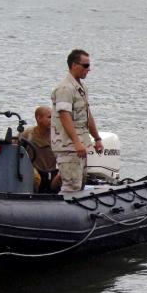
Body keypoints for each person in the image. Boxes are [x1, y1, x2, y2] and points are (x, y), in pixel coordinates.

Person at [50, 48, 103, 192]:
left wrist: (97, 138)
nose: (89, 69)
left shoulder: (82, 88)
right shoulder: (65, 88)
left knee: (79, 186)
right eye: (85, 66)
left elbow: (87, 115)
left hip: (81, 146)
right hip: (68, 146)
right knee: (71, 187)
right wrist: (76, 142)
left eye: (89, 65)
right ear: (74, 65)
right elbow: (64, 116)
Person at [21, 105, 61, 193]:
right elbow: (16, 149)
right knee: (35, 177)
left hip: (52, 173)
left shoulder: (57, 135)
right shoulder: (28, 134)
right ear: (39, 118)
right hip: (34, 173)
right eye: (49, 117)